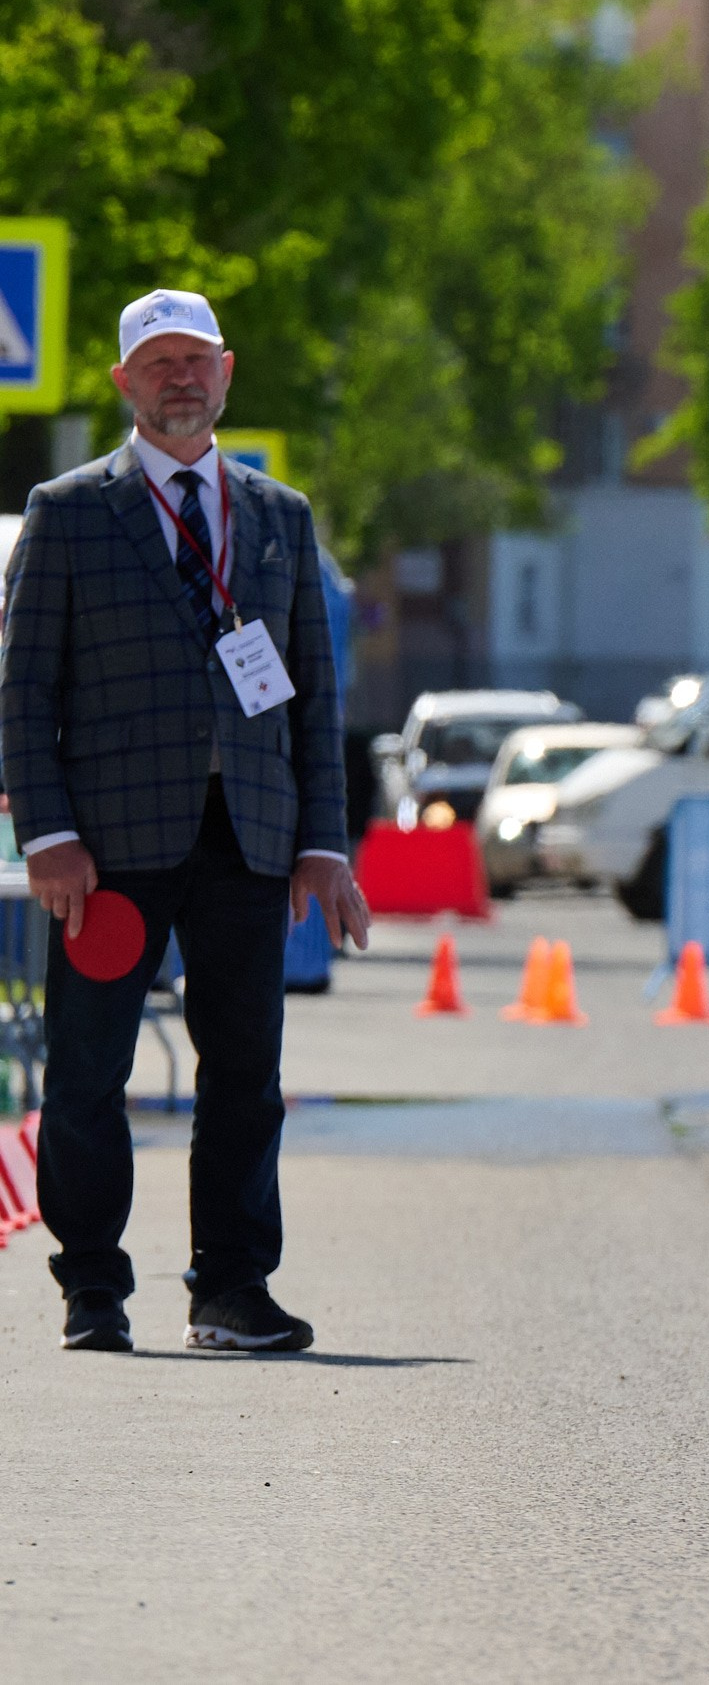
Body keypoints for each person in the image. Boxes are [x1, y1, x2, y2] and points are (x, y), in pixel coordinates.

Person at [3, 288, 370, 1354]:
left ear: (226, 373)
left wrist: (323, 844)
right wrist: (48, 834)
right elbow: (22, 692)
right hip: (107, 849)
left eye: (195, 359)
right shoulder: (67, 511)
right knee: (86, 1071)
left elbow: (313, 688)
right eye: (156, 361)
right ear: (123, 382)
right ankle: (93, 1289)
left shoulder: (279, 518)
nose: (179, 377)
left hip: (249, 839)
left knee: (247, 1073)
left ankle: (231, 1289)